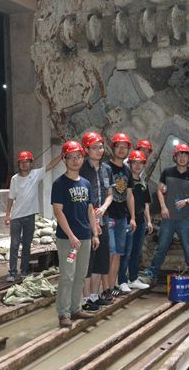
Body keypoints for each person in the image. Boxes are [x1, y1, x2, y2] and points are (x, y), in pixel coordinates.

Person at [138, 143, 189, 289]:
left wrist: (186, 201)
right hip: (168, 218)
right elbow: (160, 191)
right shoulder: (167, 172)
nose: (182, 157)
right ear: (175, 157)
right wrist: (163, 207)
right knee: (161, 247)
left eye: (185, 155)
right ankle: (152, 273)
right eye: (179, 154)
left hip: (184, 219)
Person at [51, 141, 99, 328]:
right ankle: (63, 313)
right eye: (70, 157)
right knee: (67, 276)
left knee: (80, 275)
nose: (75, 160)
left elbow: (90, 210)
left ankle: (75, 308)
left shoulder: (86, 183)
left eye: (78, 156)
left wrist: (94, 233)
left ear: (82, 158)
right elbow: (58, 212)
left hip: (85, 237)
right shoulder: (59, 184)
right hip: (68, 239)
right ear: (64, 160)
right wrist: (71, 236)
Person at [5, 150, 62, 282]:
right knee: (14, 245)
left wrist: (61, 156)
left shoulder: (35, 174)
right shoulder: (14, 179)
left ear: (31, 163)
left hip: (30, 216)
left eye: (27, 162)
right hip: (16, 217)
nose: (24, 164)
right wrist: (7, 214)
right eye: (22, 162)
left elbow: (50, 166)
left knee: (26, 245)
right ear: (19, 164)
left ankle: (24, 271)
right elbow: (10, 198)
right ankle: (12, 272)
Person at [80, 132, 114, 311]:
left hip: (103, 219)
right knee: (87, 260)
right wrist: (92, 211)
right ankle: (85, 298)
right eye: (94, 147)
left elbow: (110, 194)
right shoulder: (81, 169)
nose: (99, 150)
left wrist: (104, 208)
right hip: (86, 221)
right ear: (86, 150)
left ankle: (95, 295)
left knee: (101, 259)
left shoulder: (107, 169)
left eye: (101, 147)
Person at [118, 150, 153, 290]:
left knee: (136, 252)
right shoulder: (124, 180)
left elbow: (146, 204)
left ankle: (133, 278)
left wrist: (148, 221)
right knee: (126, 252)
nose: (138, 166)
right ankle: (121, 281)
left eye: (140, 163)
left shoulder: (143, 183)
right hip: (127, 221)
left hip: (140, 222)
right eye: (135, 163)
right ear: (130, 163)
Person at [107, 133, 137, 295]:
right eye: (118, 146)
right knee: (110, 252)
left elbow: (130, 195)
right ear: (113, 148)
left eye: (124, 147)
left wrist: (132, 217)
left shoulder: (127, 171)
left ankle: (111, 288)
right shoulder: (106, 168)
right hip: (108, 216)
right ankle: (103, 289)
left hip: (122, 217)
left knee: (118, 253)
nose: (121, 150)